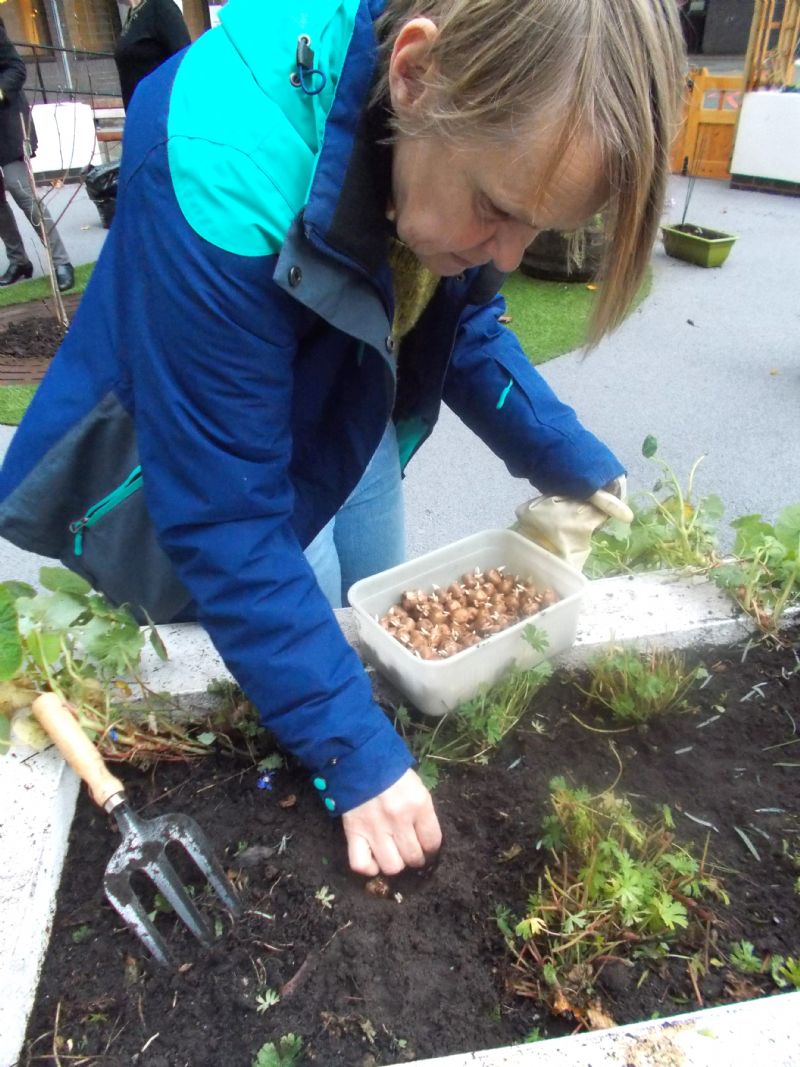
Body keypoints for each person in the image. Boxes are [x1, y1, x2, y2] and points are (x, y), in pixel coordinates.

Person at [0, 0, 684, 879]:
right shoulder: (226, 153)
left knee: (369, 639)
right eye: (497, 210)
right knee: (304, 619)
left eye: (536, 229)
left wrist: (566, 456)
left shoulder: (453, 149)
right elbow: (227, 518)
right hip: (224, 452)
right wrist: (352, 756)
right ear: (414, 74)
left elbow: (463, 322)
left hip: (347, 398)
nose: (507, 257)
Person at [0, 17, 74, 291]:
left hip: (6, 126)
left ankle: (61, 262)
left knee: (23, 193)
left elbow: (16, 69)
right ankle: (19, 260)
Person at [114, 0, 191, 111]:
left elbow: (184, 60)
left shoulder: (160, 6)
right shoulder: (133, 13)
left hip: (160, 112)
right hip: (139, 113)